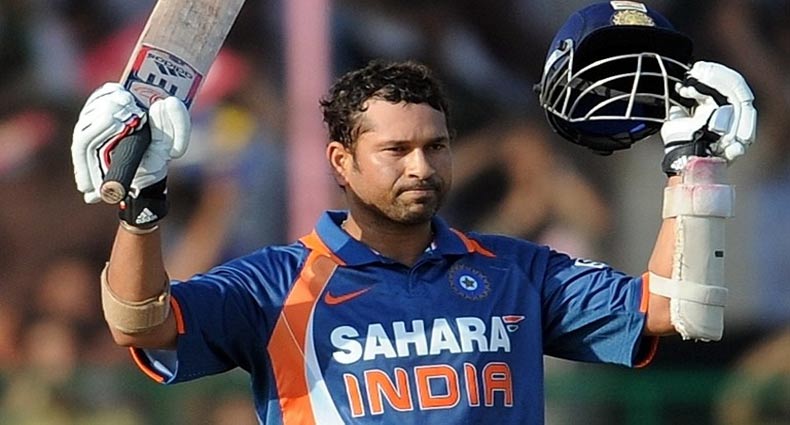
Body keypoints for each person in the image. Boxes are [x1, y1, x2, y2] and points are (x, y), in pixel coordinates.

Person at [70, 2, 756, 424]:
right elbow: (140, 322)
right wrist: (141, 209)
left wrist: (693, 164)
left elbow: (676, 308)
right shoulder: (274, 285)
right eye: (396, 150)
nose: (421, 167)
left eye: (436, 146)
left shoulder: (516, 271)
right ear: (341, 161)